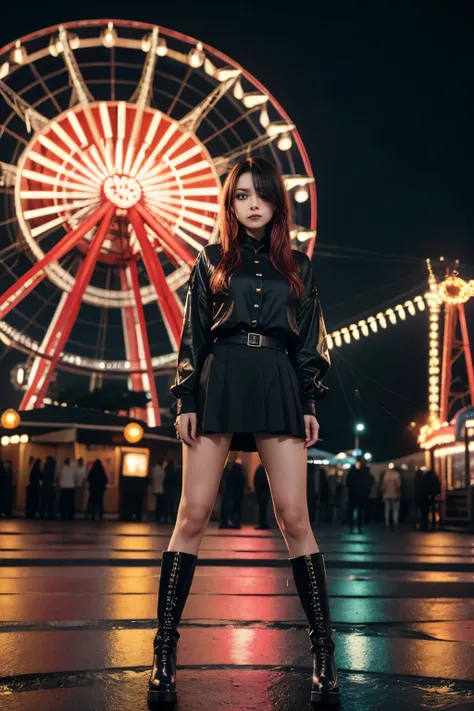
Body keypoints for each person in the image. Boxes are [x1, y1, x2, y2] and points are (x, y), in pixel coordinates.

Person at [147, 157, 337, 706]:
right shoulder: (210, 260)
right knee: (193, 513)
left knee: (294, 517)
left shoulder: (299, 266)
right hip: (220, 377)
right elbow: (193, 336)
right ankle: (165, 644)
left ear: (278, 202)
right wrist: (184, 396)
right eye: (241, 196)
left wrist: (309, 399)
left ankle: (323, 646)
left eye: (262, 195)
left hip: (278, 378)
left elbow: (309, 341)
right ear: (229, 204)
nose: (252, 204)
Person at [345, 458, 372, 533]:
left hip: (355, 494)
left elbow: (348, 482)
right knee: (359, 511)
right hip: (359, 494)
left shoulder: (352, 471)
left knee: (354, 511)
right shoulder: (365, 471)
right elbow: (368, 482)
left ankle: (353, 527)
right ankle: (357, 527)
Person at [381, 465, 402, 530]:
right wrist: (398, 493)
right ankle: (395, 523)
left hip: (387, 495)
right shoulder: (397, 475)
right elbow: (398, 485)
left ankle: (387, 523)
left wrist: (383, 493)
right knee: (395, 510)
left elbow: (383, 486)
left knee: (387, 510)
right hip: (395, 495)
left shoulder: (386, 475)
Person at [254, 463, 271, 529]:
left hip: (261, 491)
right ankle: (262, 524)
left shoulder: (260, 469)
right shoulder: (263, 469)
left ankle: (262, 523)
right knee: (263, 509)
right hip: (263, 492)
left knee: (262, 509)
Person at [151, 459, 166, 523]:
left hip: (155, 488)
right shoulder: (162, 470)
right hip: (161, 489)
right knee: (160, 504)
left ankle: (156, 517)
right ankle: (159, 517)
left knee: (157, 503)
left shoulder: (154, 469)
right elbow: (164, 478)